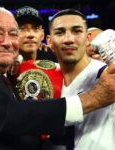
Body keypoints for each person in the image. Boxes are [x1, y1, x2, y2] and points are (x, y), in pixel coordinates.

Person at [0, 6, 115, 150]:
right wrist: (94, 98)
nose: (7, 42)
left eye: (13, 34)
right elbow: (10, 115)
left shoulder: (104, 76)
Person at [45, 9, 115, 150]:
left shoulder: (106, 75)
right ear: (49, 41)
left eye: (77, 31)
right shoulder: (42, 77)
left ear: (88, 38)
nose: (69, 39)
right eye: (60, 32)